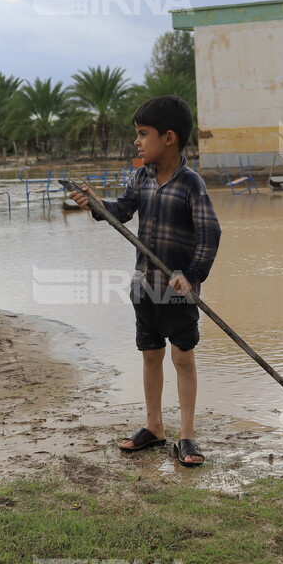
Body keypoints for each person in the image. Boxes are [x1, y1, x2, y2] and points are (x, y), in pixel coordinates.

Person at [69, 95, 220, 467]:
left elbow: (210, 234)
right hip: (145, 285)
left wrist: (192, 274)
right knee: (151, 354)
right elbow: (121, 211)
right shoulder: (141, 177)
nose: (136, 142)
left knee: (182, 357)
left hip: (178, 290)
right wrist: (95, 203)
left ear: (169, 138)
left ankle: (186, 435)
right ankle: (154, 427)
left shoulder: (191, 184)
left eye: (142, 134)